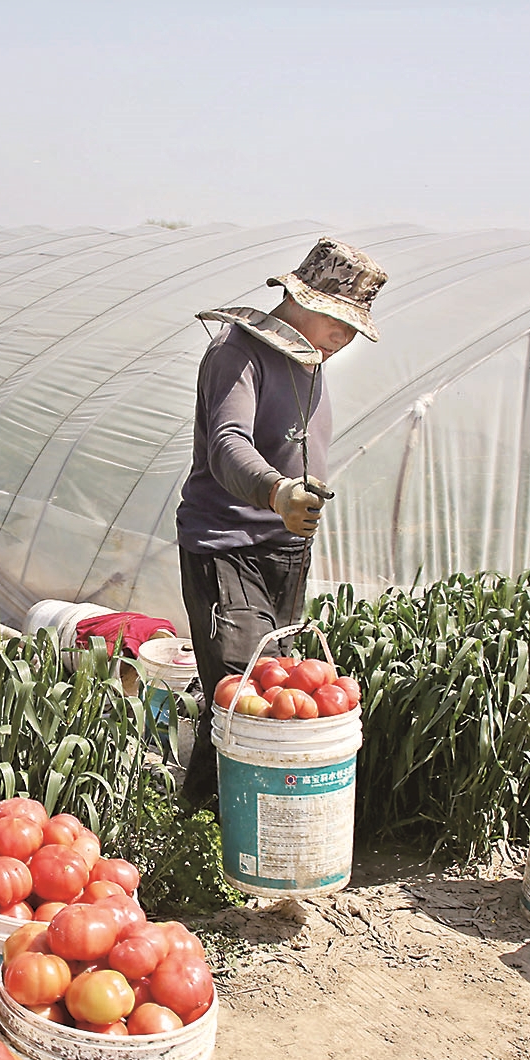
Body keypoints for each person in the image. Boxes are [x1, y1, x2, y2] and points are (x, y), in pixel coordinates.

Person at [176, 237, 387, 810]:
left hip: (286, 547)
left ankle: (218, 814)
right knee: (245, 689)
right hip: (227, 543)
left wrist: (292, 508)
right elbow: (227, 444)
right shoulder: (237, 353)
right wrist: (278, 491)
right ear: (300, 299)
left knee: (264, 689)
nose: (344, 338)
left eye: (352, 327)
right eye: (338, 321)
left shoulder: (309, 358)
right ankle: (221, 824)